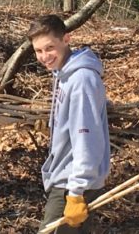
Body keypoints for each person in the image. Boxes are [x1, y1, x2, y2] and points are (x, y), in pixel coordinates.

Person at [27, 15, 110, 233]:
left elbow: (87, 138)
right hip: (64, 175)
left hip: (72, 183)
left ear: (67, 39)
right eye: (38, 51)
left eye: (50, 48)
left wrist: (76, 193)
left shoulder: (81, 80)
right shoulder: (62, 73)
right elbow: (76, 121)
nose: (44, 56)